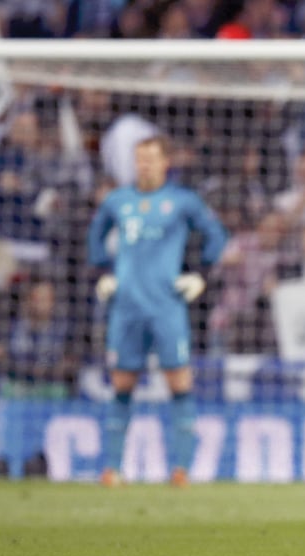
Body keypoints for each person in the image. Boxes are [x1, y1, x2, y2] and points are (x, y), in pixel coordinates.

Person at [87, 135, 228, 487]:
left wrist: (201, 274)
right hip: (127, 307)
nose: (144, 165)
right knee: (122, 383)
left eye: (151, 158)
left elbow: (216, 236)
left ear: (166, 161)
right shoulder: (117, 201)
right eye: (139, 158)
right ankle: (113, 468)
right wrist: (103, 273)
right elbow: (94, 239)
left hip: (167, 306)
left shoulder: (182, 201)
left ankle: (181, 469)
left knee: (179, 381)